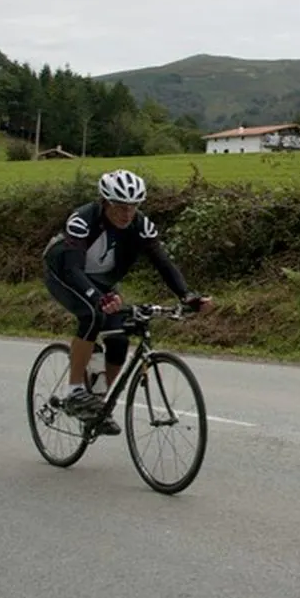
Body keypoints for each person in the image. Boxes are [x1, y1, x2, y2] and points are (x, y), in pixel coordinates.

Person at [42, 168, 211, 435]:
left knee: (119, 338)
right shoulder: (82, 220)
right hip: (64, 272)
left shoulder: (139, 224)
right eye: (120, 207)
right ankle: (75, 390)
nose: (127, 214)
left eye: (133, 207)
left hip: (101, 280)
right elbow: (73, 269)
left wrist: (186, 295)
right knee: (92, 314)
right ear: (105, 202)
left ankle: (96, 404)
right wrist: (97, 298)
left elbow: (162, 261)